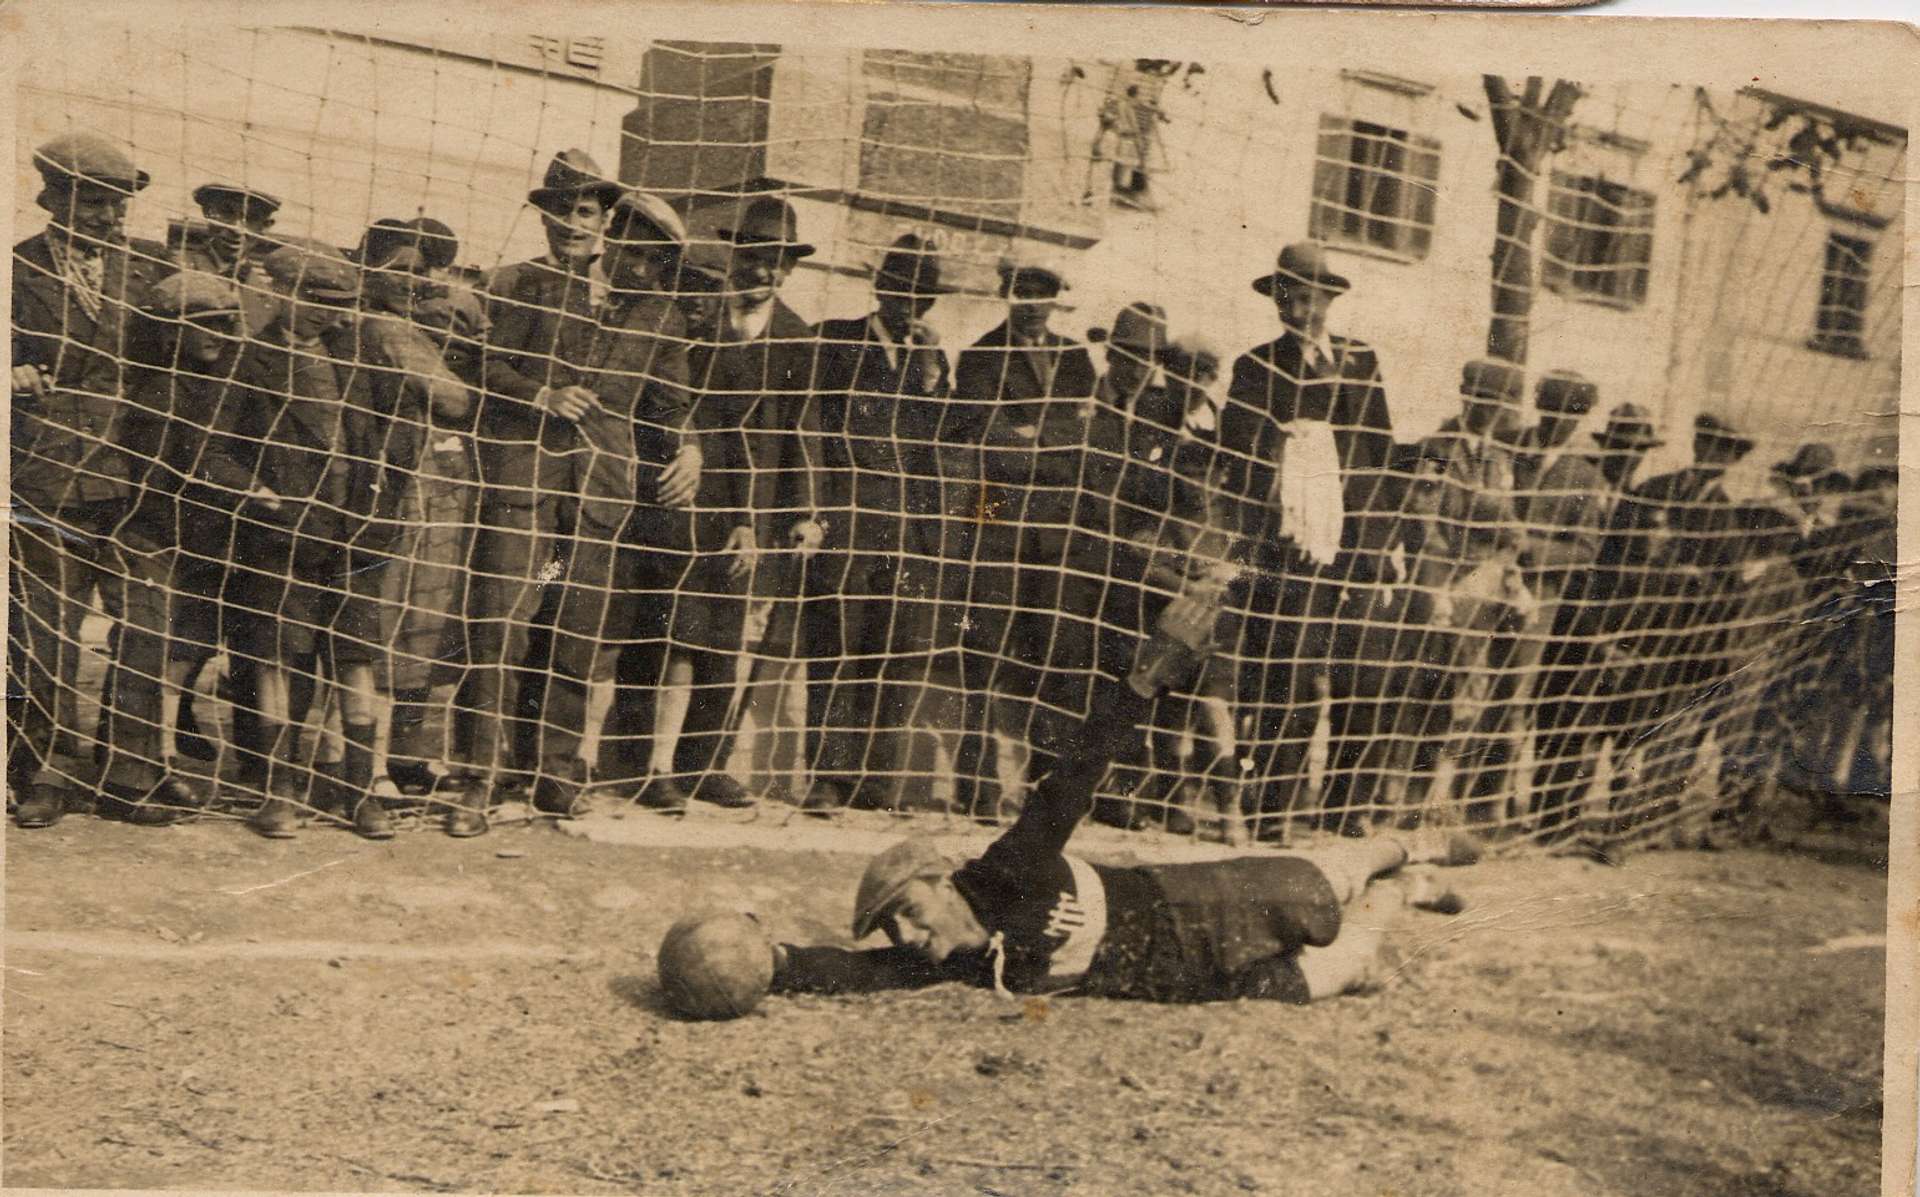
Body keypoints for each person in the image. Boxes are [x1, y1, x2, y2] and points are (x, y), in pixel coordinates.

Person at [766, 676, 1480, 1005]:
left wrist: (1138, 688)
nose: (909, 935)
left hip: (1194, 904)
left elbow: (1071, 781)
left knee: (1319, 885)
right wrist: (778, 961)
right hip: (1179, 981)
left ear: (940, 879)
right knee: (1337, 970)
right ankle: (1407, 890)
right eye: (895, 928)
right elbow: (857, 971)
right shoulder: (949, 962)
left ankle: (1402, 847)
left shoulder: (1009, 867)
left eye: (909, 911)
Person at [10, 131, 183, 829]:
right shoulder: (16, 267)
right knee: (44, 629)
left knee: (147, 627)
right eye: (95, 203)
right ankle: (43, 772)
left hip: (140, 477)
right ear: (53, 197)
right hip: (47, 476)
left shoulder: (153, 267)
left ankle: (129, 774)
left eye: (119, 204)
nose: (111, 217)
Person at [224, 243, 398, 840]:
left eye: (340, 304)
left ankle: (359, 794)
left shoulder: (354, 358)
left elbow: (384, 439)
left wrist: (381, 508)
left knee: (356, 660)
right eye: (318, 301)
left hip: (355, 535)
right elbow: (212, 448)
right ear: (281, 292)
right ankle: (280, 793)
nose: (331, 313)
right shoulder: (247, 358)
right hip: (283, 538)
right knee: (279, 657)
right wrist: (259, 495)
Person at [1223, 241, 1394, 838]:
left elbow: (1379, 449)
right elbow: (1238, 450)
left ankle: (1345, 807)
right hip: (1292, 543)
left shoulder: (1360, 359)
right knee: (1287, 674)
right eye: (1288, 298)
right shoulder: (1256, 365)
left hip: (1355, 543)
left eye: (1309, 297)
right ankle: (1273, 810)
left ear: (1328, 299)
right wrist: (1288, 458)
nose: (1299, 309)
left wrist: (1380, 540)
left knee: (1362, 672)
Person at [673, 194, 825, 808]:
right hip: (681, 487)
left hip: (751, 508)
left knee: (725, 632)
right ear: (735, 255)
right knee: (660, 623)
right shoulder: (694, 317)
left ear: (790, 269)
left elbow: (803, 430)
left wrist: (807, 512)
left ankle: (703, 765)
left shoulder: (796, 337)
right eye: (755, 256)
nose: (764, 270)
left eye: (778, 261)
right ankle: (634, 760)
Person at [802, 233, 954, 812]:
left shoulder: (933, 361)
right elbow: (812, 432)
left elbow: (943, 444)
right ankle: (828, 777)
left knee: (895, 651)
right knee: (836, 645)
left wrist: (932, 376)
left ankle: (877, 782)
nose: (911, 302)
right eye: (902, 288)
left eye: (923, 295)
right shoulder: (835, 340)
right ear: (881, 287)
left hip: (907, 528)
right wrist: (816, 511)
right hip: (846, 516)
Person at [948, 250, 1098, 818]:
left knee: (1054, 652)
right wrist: (1045, 440)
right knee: (983, 651)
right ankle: (977, 786)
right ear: (1006, 293)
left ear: (1056, 298)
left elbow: (1086, 437)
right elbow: (988, 437)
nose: (1033, 304)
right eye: (1023, 291)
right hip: (995, 514)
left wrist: (1035, 434)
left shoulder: (1075, 358)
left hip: (1055, 526)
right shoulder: (981, 355)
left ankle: (1043, 787)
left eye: (1043, 292)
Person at [351, 222, 483, 829]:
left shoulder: (414, 326)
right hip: (401, 490)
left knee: (427, 621)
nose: (412, 282)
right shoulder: (384, 328)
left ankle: (407, 754)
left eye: (419, 272)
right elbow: (454, 399)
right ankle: (373, 762)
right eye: (398, 270)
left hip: (438, 490)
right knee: (391, 617)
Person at [1402, 360, 1532, 823]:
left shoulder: (1498, 458)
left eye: (1501, 405)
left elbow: (1510, 526)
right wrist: (1437, 588)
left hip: (1486, 587)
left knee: (1472, 696)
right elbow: (1425, 521)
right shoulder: (1438, 449)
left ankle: (1449, 799)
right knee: (1431, 694)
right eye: (1484, 401)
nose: (1492, 412)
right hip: (1444, 586)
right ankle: (1412, 799)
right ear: (1467, 397)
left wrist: (1510, 567)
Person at [1529, 402, 1663, 841]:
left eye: (1638, 450)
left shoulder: (1639, 506)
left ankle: (1577, 820)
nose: (1630, 457)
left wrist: (1621, 638)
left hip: (1616, 631)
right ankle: (1550, 823)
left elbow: (1639, 579)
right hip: (1570, 624)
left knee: (1602, 724)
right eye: (1622, 447)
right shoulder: (1581, 484)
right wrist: (1593, 632)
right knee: (1560, 723)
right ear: (1607, 446)